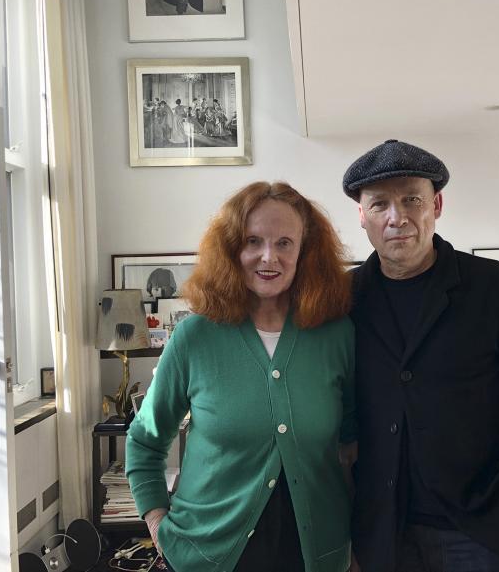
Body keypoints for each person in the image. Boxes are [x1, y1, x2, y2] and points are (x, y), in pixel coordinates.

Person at [342, 140, 499, 572]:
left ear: (435, 204)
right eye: (379, 204)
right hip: (379, 533)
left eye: (411, 200)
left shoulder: (497, 289)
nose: (396, 217)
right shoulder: (344, 299)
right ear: (363, 216)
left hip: (479, 533)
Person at [126, 182, 357, 572]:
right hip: (205, 554)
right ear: (233, 247)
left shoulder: (336, 335)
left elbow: (352, 448)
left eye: (285, 242)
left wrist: (351, 547)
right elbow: (145, 441)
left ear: (306, 252)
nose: (269, 257)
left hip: (316, 556)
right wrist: (156, 522)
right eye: (254, 241)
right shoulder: (194, 337)